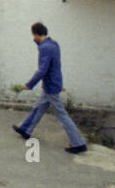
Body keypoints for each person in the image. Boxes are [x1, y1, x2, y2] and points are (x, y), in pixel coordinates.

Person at [13, 22, 88, 154]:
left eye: (33, 35)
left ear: (36, 34)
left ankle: (78, 143)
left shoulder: (45, 48)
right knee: (39, 107)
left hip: (51, 86)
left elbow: (42, 70)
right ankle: (25, 129)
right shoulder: (53, 44)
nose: (33, 38)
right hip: (54, 83)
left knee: (62, 115)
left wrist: (29, 84)